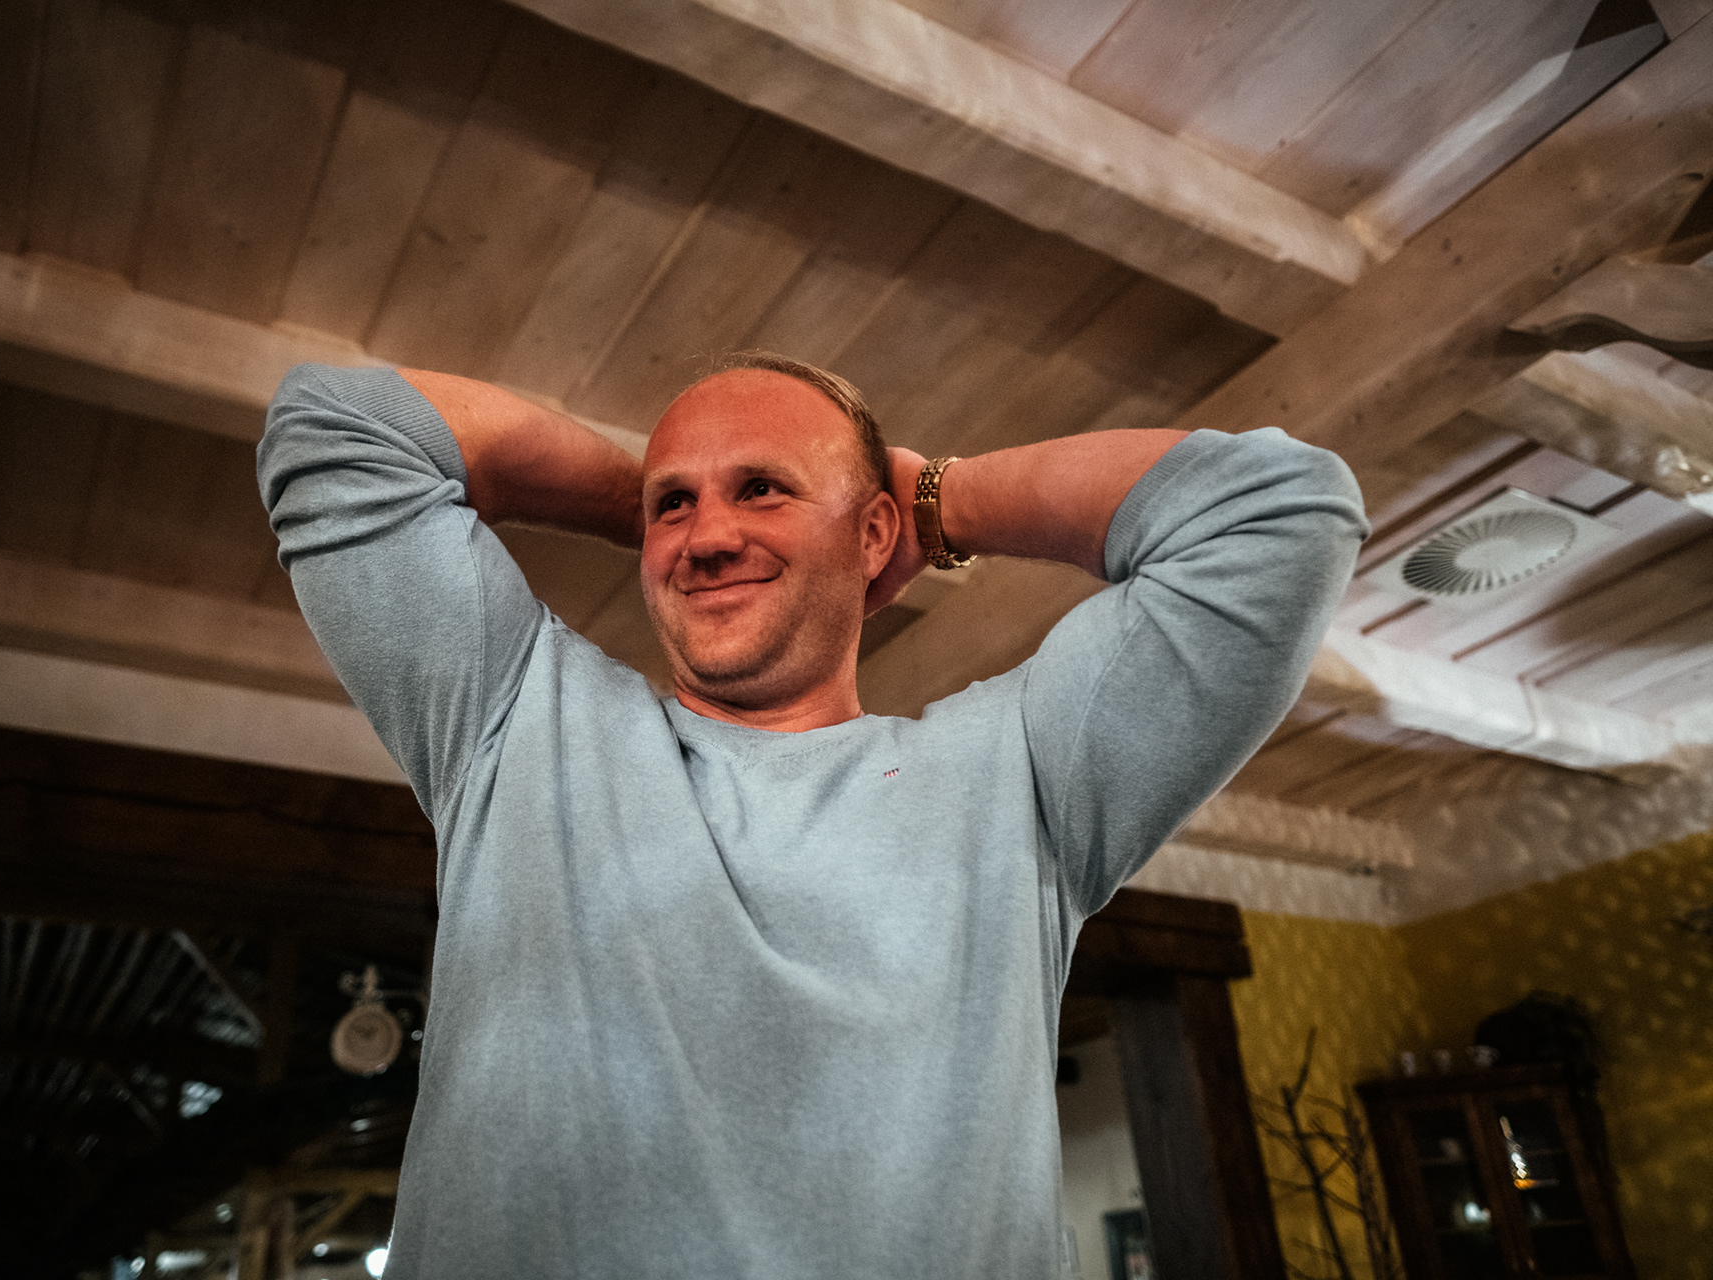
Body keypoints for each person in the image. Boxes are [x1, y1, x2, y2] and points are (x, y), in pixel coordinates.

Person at [257, 352, 1367, 1279]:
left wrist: (936, 502)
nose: (705, 535)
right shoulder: (516, 723)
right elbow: (338, 424)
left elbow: (1277, 516)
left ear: (874, 535)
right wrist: (651, 507)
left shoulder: (1020, 774)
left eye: (762, 487)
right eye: (675, 501)